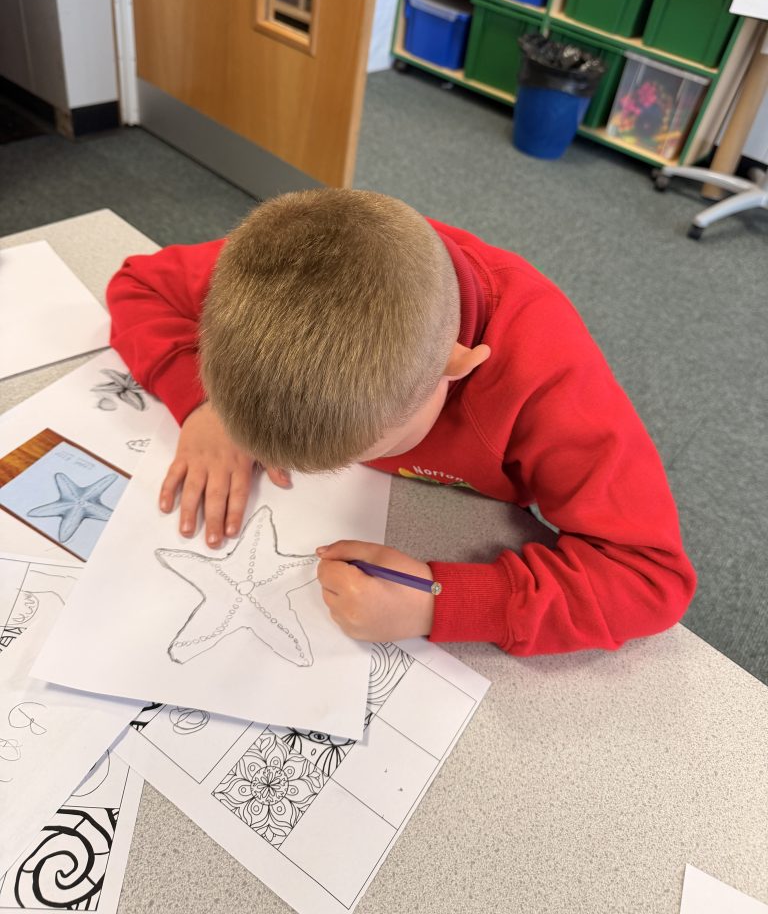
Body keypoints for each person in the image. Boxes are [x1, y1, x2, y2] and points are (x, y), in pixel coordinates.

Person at [106, 188, 696, 654]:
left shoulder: (545, 372)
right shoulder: (280, 269)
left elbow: (649, 577)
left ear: (455, 368)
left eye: (361, 449)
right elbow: (137, 284)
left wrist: (439, 603)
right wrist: (205, 404)